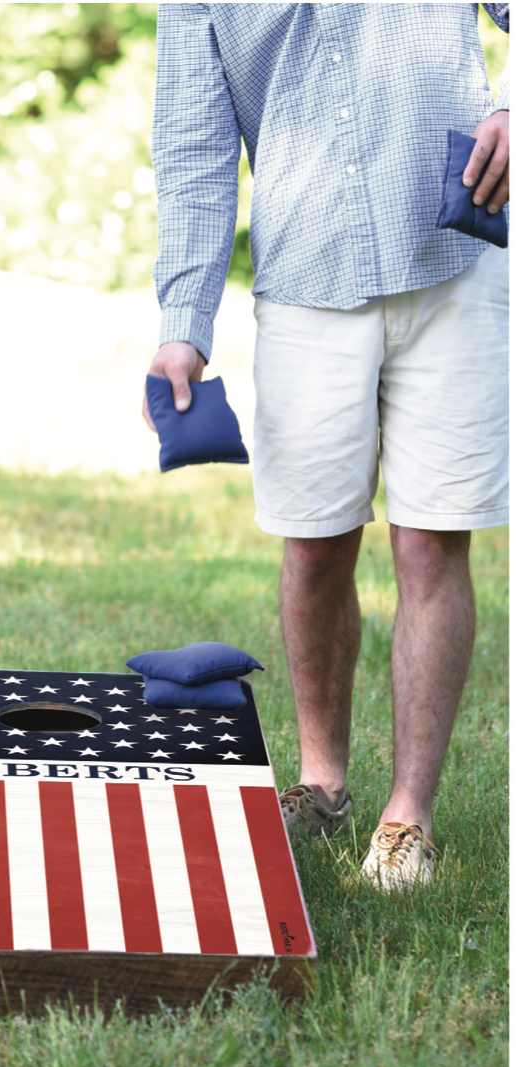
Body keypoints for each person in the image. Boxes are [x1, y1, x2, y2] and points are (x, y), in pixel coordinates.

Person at [144, 3, 509, 888]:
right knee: (312, 548)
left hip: (452, 258)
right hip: (308, 274)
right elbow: (195, 149)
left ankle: (408, 816)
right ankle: (323, 783)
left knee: (429, 541)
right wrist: (183, 324)